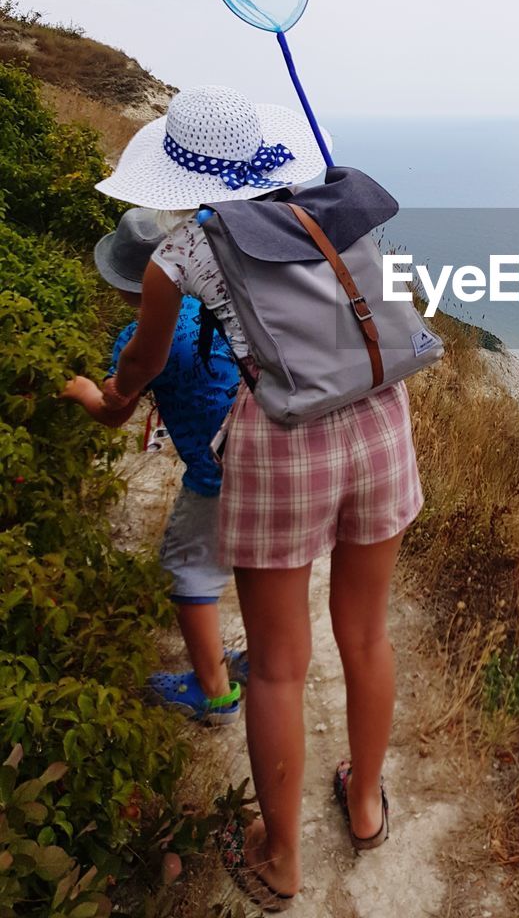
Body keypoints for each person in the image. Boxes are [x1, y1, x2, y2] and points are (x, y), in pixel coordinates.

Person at [93, 86, 423, 911]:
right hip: (384, 418)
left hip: (283, 441)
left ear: (180, 172)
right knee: (367, 635)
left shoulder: (181, 255)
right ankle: (366, 803)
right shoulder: (336, 201)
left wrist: (107, 401)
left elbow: (140, 368)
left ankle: (280, 862)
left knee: (277, 668)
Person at [62, 208, 246, 723]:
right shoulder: (214, 306)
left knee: (187, 573)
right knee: (254, 562)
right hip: (259, 454)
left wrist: (81, 390)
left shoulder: (136, 342)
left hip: (213, 473)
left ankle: (214, 695)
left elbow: (111, 413)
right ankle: (252, 658)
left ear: (125, 285)